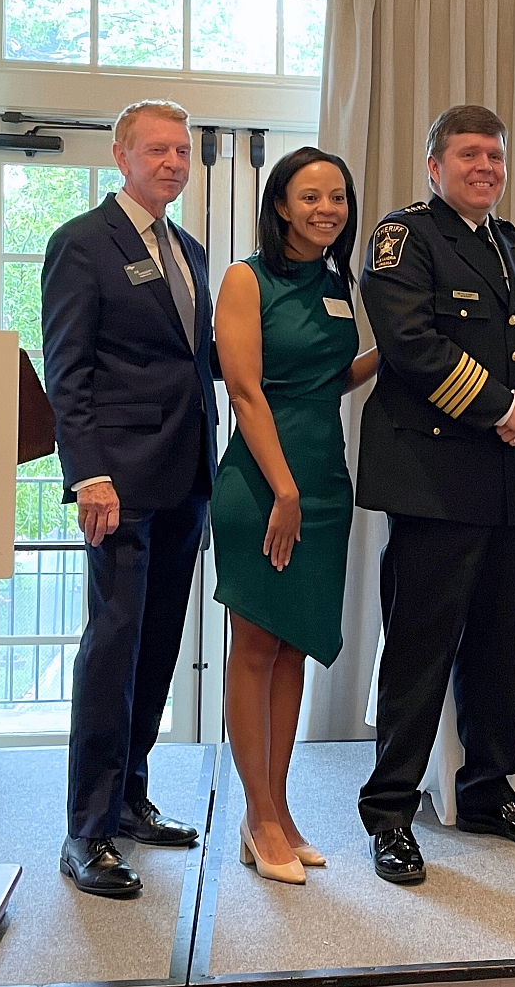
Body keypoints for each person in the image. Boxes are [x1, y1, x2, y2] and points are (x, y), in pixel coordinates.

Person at [355, 104, 515, 885]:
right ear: (434, 164)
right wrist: (504, 408)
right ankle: (389, 811)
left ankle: (487, 789)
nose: (486, 167)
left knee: (497, 652)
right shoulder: (403, 237)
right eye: (470, 154)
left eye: (496, 156)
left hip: (510, 486)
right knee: (418, 655)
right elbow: (412, 345)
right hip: (434, 479)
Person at [42, 100, 215, 898]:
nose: (174, 161)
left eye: (182, 149)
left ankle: (131, 798)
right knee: (112, 648)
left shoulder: (189, 249)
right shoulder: (82, 242)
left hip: (186, 477)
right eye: (157, 148)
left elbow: (196, 361)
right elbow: (67, 370)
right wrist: (89, 472)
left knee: (156, 647)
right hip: (119, 482)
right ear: (121, 154)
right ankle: (87, 829)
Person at [210, 148, 379, 884]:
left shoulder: (336, 282)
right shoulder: (246, 278)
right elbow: (245, 392)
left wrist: (390, 353)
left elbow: (329, 377)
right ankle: (256, 815)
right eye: (311, 196)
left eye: (337, 197)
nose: (327, 209)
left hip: (323, 477)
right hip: (262, 479)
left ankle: (278, 807)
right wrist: (281, 489)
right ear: (281, 203)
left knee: (295, 644)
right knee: (256, 642)